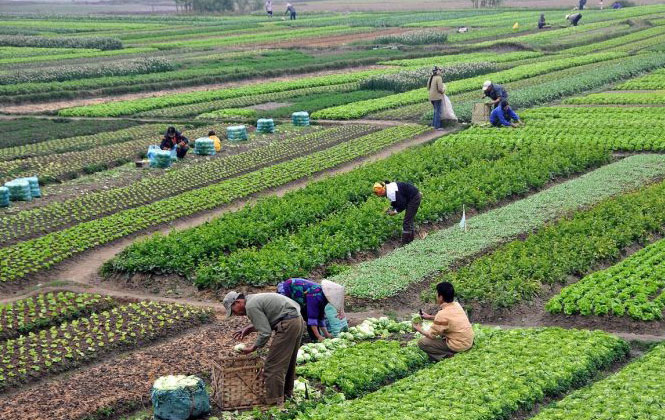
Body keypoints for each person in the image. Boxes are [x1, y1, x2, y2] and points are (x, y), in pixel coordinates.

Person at [225, 291, 304, 405]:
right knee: (288, 362)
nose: (235, 314)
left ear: (238, 302)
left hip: (288, 323)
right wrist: (250, 328)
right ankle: (287, 395)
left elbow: (265, 332)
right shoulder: (253, 298)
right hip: (297, 320)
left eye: (233, 311)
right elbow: (269, 317)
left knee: (273, 365)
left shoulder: (250, 306)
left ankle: (275, 402)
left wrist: (253, 348)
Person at [413, 282, 474, 361]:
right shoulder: (456, 305)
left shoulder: (442, 314)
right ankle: (450, 352)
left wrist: (418, 328)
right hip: (468, 342)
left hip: (458, 346)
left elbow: (431, 335)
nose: (436, 296)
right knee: (442, 332)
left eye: (436, 294)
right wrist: (429, 317)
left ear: (440, 297)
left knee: (422, 343)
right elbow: (449, 319)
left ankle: (447, 356)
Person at [276, 278, 346, 342]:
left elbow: (320, 317)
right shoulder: (316, 296)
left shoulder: (324, 298)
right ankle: (288, 339)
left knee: (314, 315)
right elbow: (312, 317)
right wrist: (319, 336)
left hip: (302, 296)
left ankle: (315, 338)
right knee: (292, 317)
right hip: (288, 290)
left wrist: (326, 334)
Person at [428, 66, 446, 131]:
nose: (441, 72)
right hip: (437, 97)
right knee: (438, 111)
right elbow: (440, 89)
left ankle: (433, 125)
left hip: (431, 97)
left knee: (435, 111)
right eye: (440, 71)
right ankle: (437, 126)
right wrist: (444, 90)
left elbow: (428, 87)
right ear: (437, 72)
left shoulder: (431, 77)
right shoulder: (439, 78)